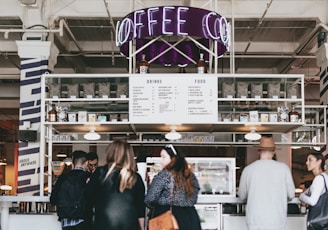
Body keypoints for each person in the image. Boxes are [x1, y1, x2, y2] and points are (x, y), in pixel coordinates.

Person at [238, 136, 295, 230]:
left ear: (258, 151)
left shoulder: (248, 170)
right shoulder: (283, 168)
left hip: (255, 220)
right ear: (274, 151)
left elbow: (242, 196)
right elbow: (291, 194)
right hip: (277, 220)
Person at [85, 140, 145, 230]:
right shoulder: (135, 177)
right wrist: (142, 227)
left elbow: (88, 198)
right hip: (130, 225)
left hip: (103, 224)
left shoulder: (100, 173)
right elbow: (140, 208)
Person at [144, 144, 202, 230]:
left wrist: (157, 207)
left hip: (167, 217)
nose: (161, 161)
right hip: (190, 217)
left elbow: (150, 198)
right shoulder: (190, 175)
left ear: (173, 159)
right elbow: (194, 197)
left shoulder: (164, 174)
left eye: (163, 157)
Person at [50, 150, 89, 230]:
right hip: (83, 221)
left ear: (73, 164)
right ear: (86, 163)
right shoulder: (88, 177)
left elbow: (53, 200)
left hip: (66, 222)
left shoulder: (62, 178)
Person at [299, 152, 328, 229]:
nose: (307, 162)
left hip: (318, 221)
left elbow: (312, 201)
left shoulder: (319, 179)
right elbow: (308, 191)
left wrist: (301, 196)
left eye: (310, 160)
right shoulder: (324, 177)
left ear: (319, 161)